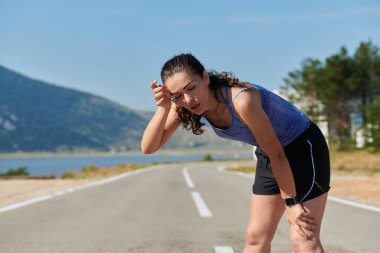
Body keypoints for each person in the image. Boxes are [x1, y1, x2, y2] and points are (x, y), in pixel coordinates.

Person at [141, 53, 330, 253]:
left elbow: (277, 154)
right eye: (177, 95)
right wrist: (163, 108)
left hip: (303, 147)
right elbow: (149, 147)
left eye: (191, 88)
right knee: (255, 239)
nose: (188, 100)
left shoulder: (241, 100)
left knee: (302, 237)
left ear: (205, 78)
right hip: (270, 153)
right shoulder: (184, 105)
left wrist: (291, 203)